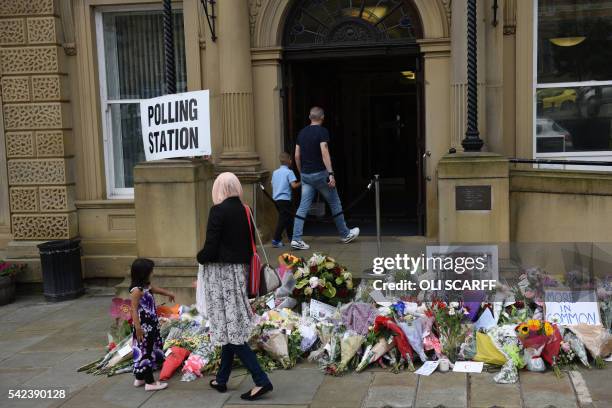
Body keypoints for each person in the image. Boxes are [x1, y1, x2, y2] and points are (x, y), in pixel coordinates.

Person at [197, 172, 273, 401]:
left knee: (232, 334)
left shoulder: (217, 211)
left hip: (220, 275)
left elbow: (210, 246)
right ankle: (221, 379)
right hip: (239, 272)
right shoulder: (245, 210)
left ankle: (262, 381)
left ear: (219, 189)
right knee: (231, 327)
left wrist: (200, 257)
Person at [291, 106, 359, 250]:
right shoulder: (322, 131)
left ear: (310, 117)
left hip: (306, 175)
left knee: (302, 207)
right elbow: (324, 151)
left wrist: (301, 173)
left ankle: (296, 238)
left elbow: (297, 155)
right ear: (322, 118)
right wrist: (331, 174)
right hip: (320, 174)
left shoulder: (301, 133)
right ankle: (345, 234)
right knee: (334, 203)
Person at [129, 258, 175, 391]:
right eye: (151, 271)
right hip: (143, 327)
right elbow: (133, 309)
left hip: (150, 325)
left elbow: (154, 289)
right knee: (146, 353)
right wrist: (138, 328)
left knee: (144, 351)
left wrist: (168, 293)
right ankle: (150, 383)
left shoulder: (144, 286)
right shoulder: (136, 290)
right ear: (143, 273)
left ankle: (140, 378)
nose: (152, 273)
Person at [271, 152, 300, 248]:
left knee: (289, 218)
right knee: (283, 219)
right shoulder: (289, 172)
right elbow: (294, 185)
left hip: (276, 200)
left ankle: (291, 238)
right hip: (285, 200)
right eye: (291, 159)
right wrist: (303, 181)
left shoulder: (275, 172)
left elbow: (272, 184)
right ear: (289, 161)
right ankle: (276, 239)